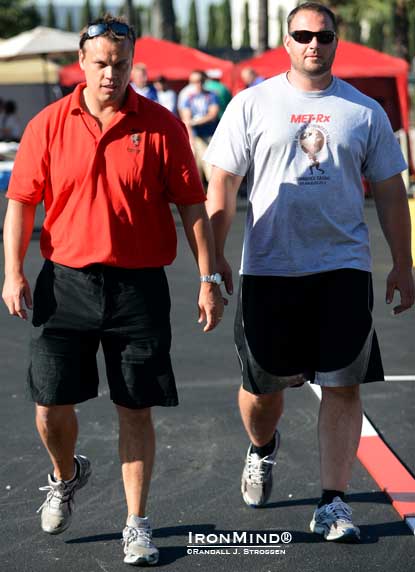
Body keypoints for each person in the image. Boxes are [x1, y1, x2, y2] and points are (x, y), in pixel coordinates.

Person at [2, 15, 224, 567]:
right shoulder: (48, 124)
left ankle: (137, 524)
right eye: (100, 63)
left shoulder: (162, 125)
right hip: (66, 285)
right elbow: (21, 204)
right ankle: (65, 474)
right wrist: (13, 271)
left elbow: (192, 207)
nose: (110, 73)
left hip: (138, 289)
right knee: (50, 406)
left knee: (135, 409)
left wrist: (210, 276)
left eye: (120, 64)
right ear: (81, 64)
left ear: (132, 65)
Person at [205, 1, 414, 543]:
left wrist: (403, 265)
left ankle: (333, 502)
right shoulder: (252, 104)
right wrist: (214, 261)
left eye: (323, 36)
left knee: (343, 385)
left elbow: (392, 194)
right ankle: (261, 448)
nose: (313, 45)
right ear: (286, 41)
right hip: (269, 270)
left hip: (342, 268)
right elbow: (223, 185)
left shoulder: (364, 111)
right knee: (262, 392)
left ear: (336, 41)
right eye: (302, 35)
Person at [180, 70, 220, 184]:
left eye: (199, 81)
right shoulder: (189, 97)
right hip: (196, 138)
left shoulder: (211, 95)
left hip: (210, 137)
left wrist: (195, 122)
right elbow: (186, 118)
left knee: (211, 173)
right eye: (194, 81)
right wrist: (190, 139)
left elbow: (213, 114)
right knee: (195, 174)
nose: (197, 84)